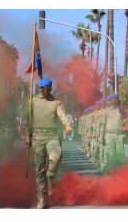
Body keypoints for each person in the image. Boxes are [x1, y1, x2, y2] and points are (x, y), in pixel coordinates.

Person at [23, 78, 72, 209]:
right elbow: (26, 119)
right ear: (40, 89)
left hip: (52, 136)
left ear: (50, 88)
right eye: (43, 89)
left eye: (48, 89)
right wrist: (27, 135)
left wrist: (67, 126)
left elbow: (62, 115)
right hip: (37, 137)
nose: (46, 91)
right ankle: (41, 199)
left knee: (55, 156)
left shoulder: (56, 102)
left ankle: (50, 177)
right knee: (39, 169)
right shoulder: (32, 101)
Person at [103, 95, 125, 171]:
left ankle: (120, 170)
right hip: (109, 134)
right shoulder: (107, 111)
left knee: (120, 153)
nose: (114, 100)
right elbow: (103, 123)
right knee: (111, 153)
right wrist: (102, 136)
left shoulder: (121, 110)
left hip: (119, 134)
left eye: (116, 99)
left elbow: (125, 121)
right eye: (113, 99)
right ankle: (111, 170)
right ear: (111, 101)